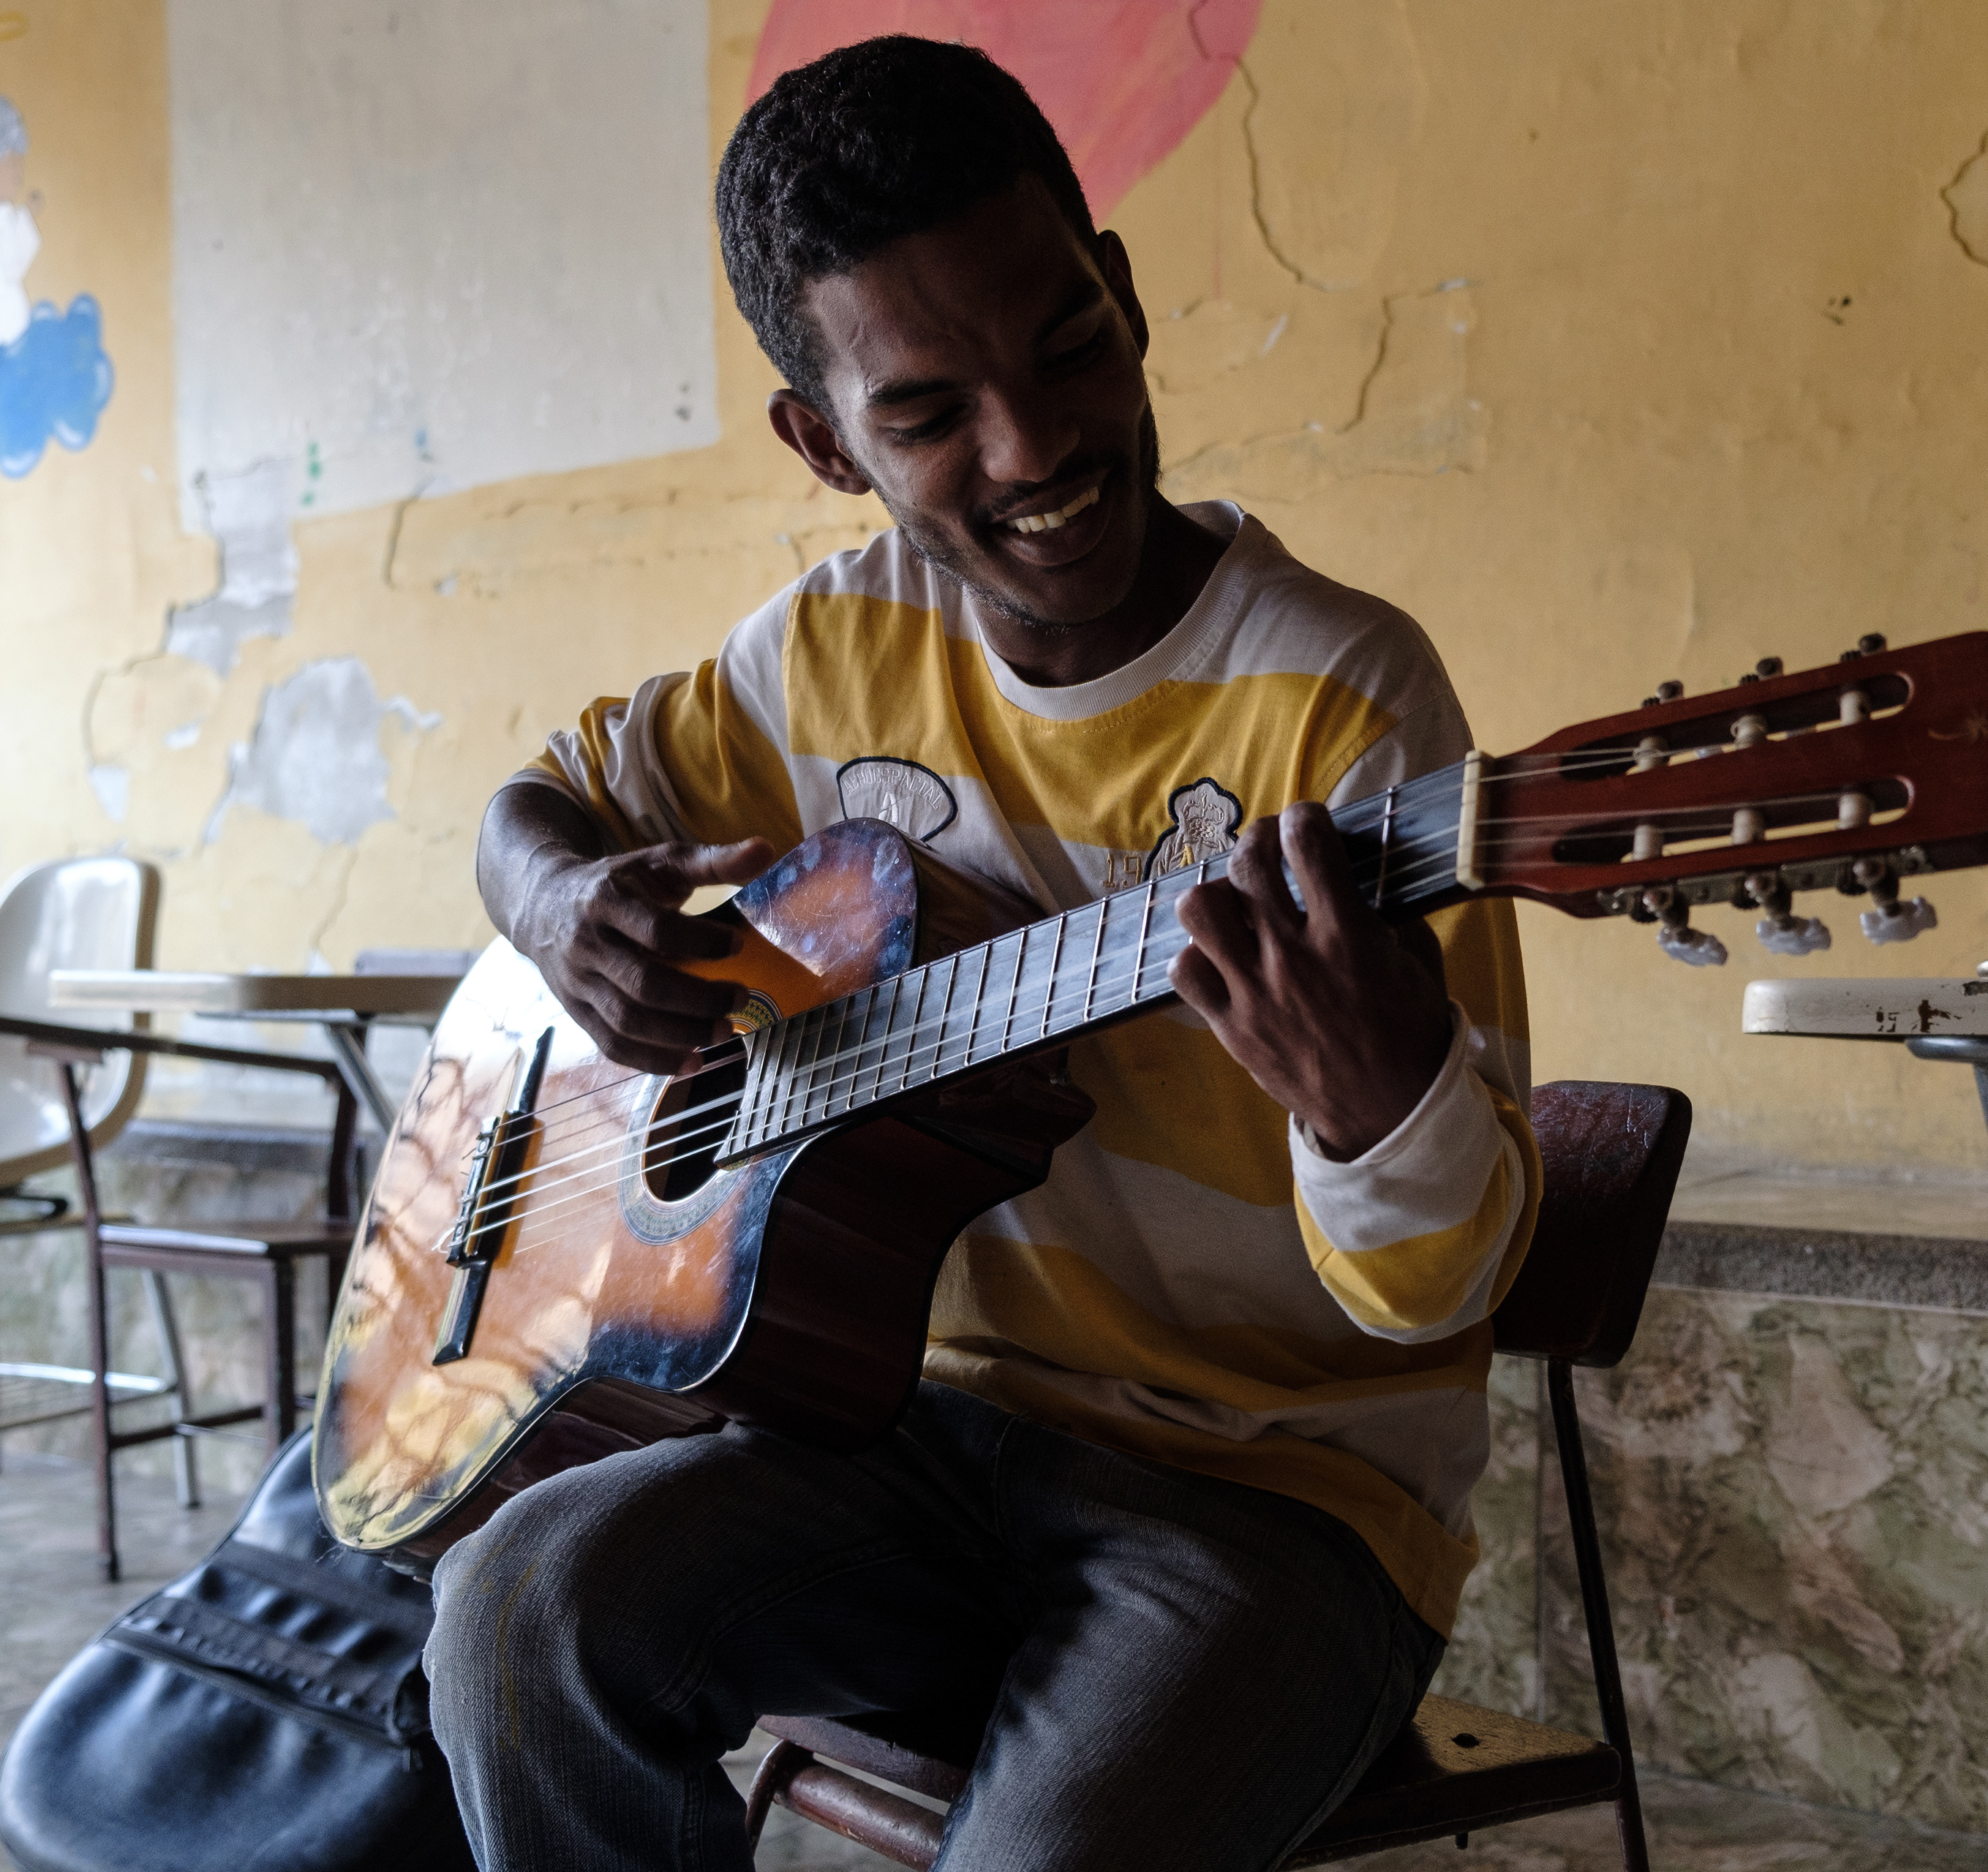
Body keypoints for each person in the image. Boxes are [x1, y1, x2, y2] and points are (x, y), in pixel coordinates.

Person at [428, 37, 1540, 1871]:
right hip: (907, 1448)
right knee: (516, 1610)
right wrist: (561, 910)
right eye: (930, 411)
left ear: (1120, 291)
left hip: (1276, 1503)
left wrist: (1377, 1107)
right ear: (821, 439)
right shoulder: (817, 658)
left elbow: (1441, 1290)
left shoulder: (1341, 698)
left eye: (1068, 347)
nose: (1035, 450)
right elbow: (537, 805)